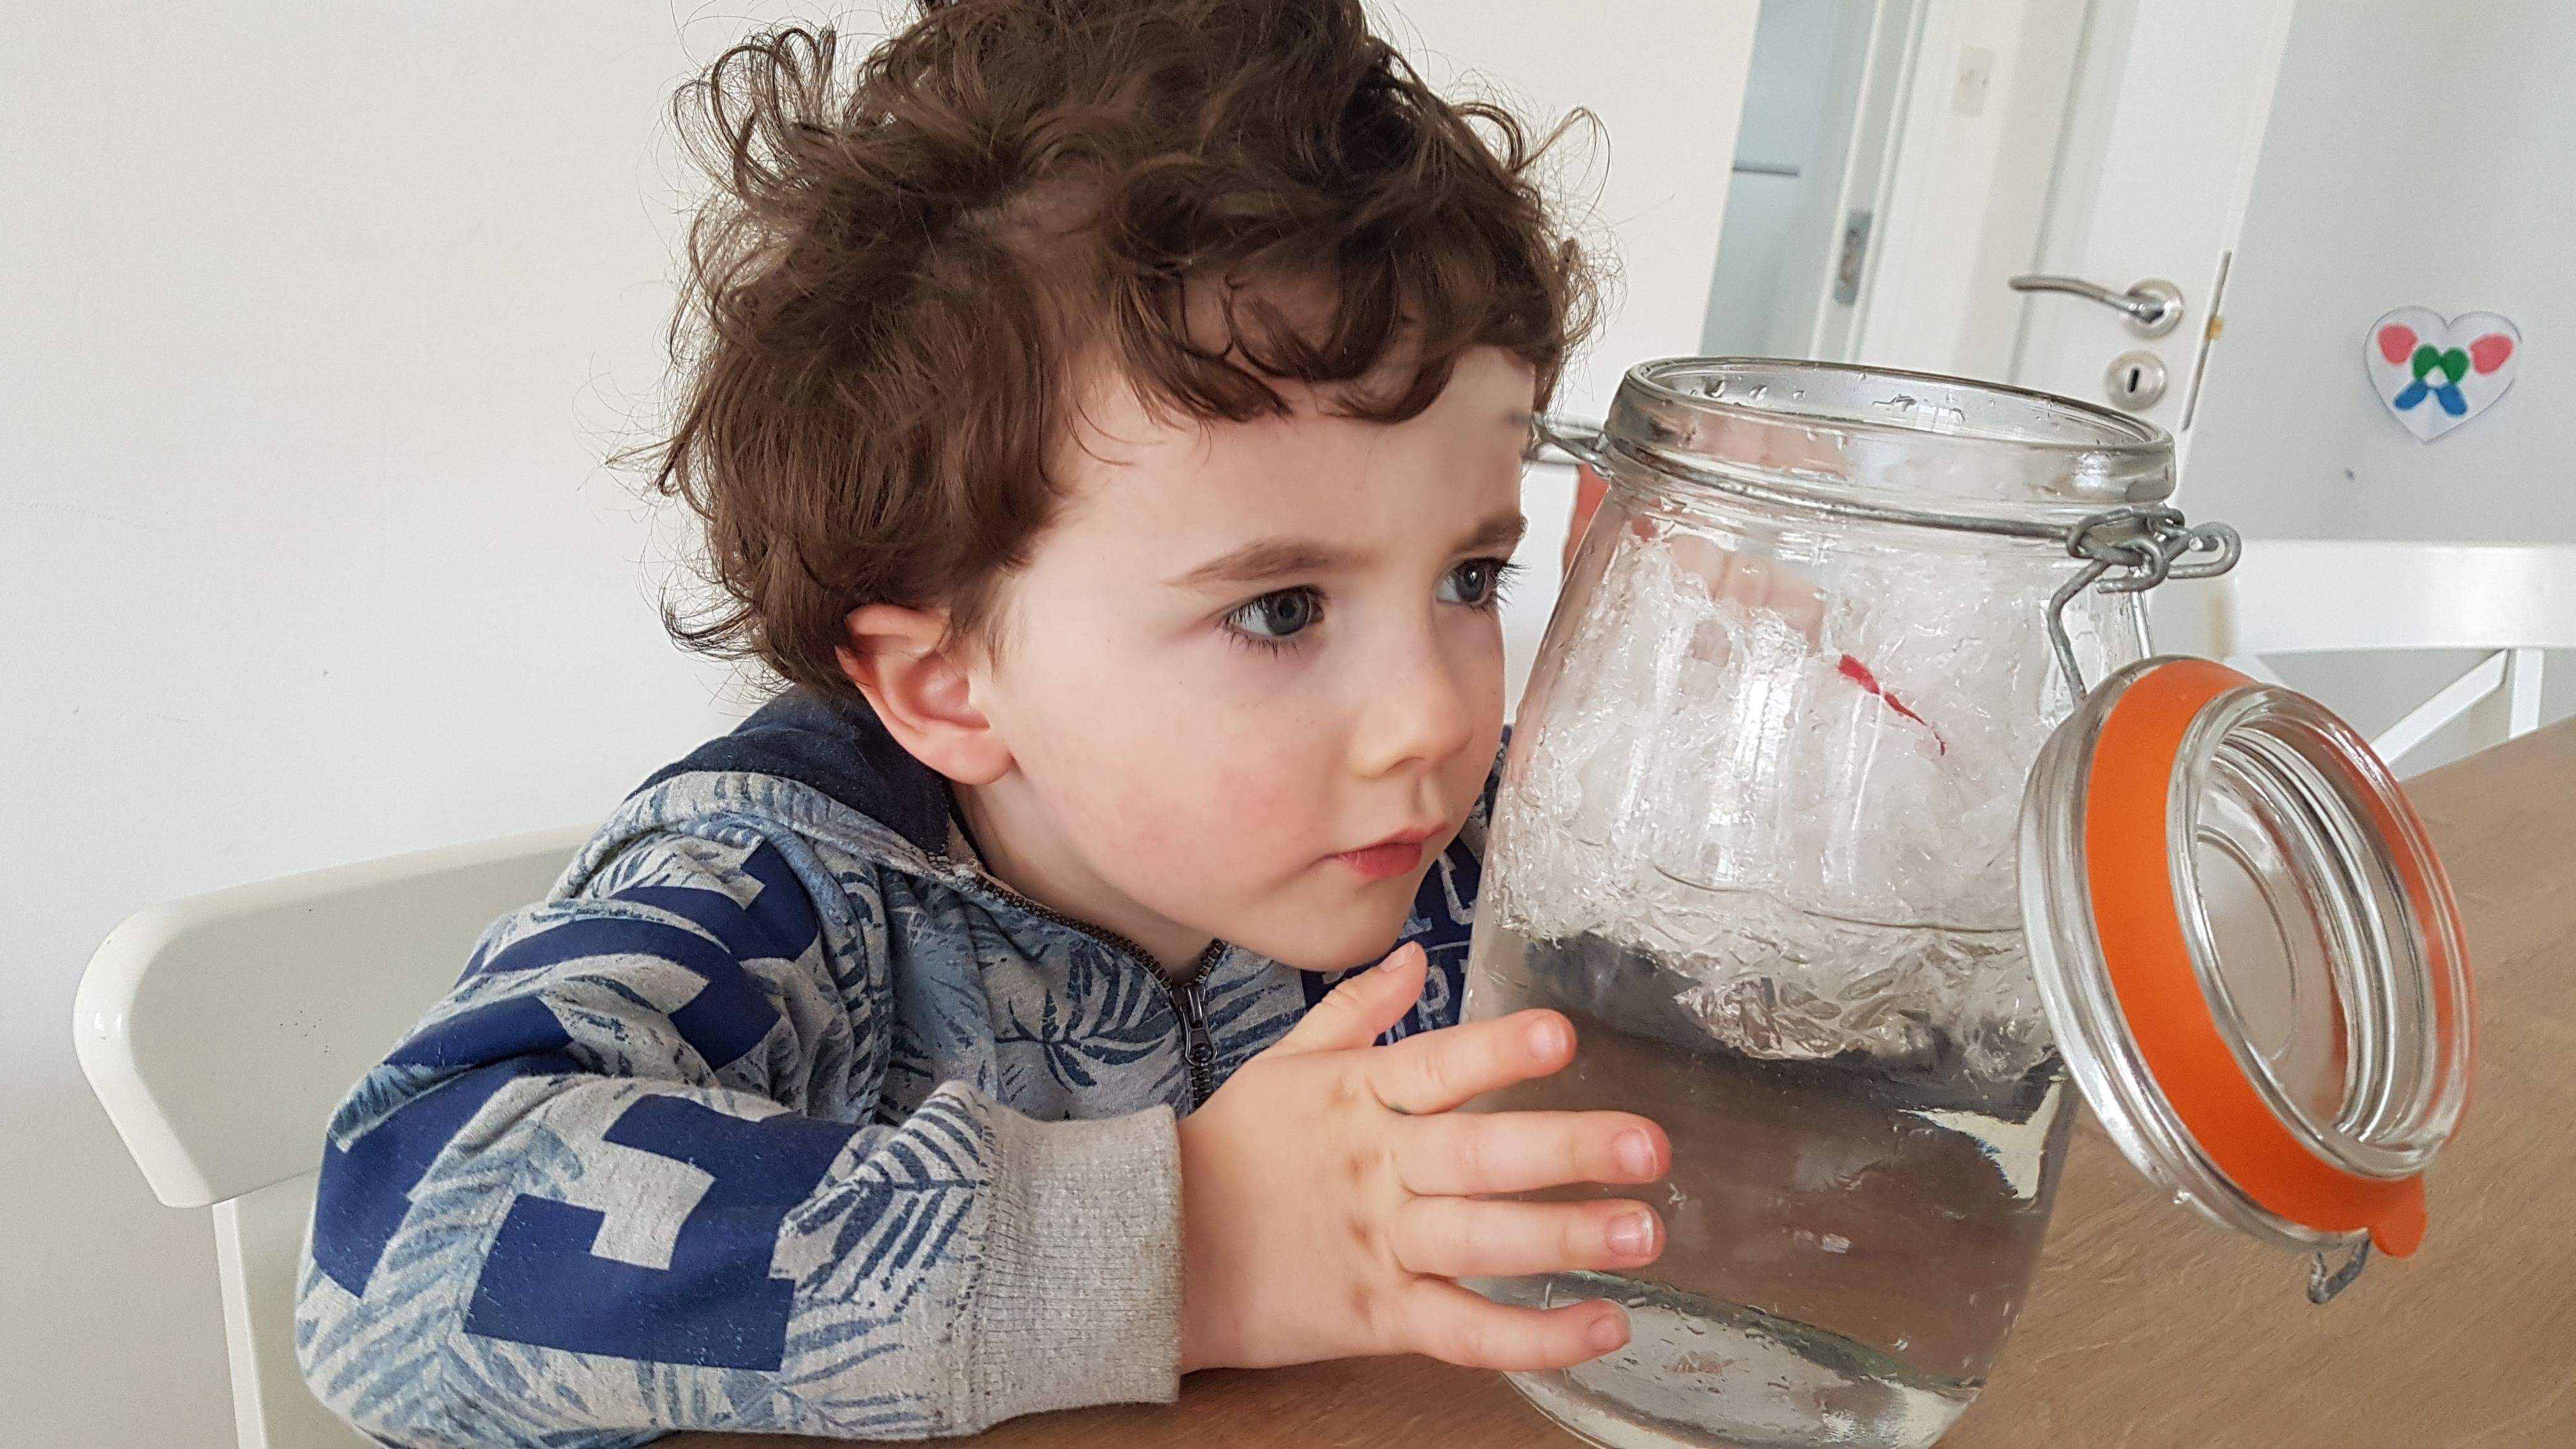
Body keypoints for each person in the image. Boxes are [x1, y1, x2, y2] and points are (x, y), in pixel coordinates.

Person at [295, 3, 1671, 1443]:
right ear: (948, 684)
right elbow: (390, 1246)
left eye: (1469, 576)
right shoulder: (788, 899)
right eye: (1281, 610)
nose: (1434, 718)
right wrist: (1194, 1246)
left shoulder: (1485, 852)